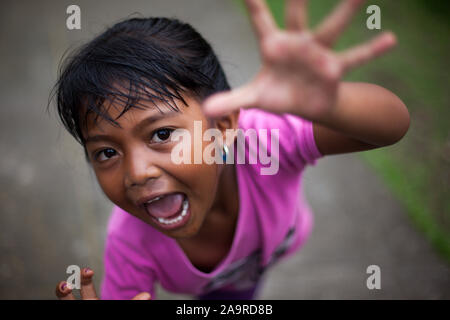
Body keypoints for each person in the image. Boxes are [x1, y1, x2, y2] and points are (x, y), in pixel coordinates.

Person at [53, 0, 409, 300]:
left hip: (275, 248)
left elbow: (392, 126)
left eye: (161, 133)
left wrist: (330, 105)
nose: (137, 172)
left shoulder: (264, 142)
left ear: (223, 127)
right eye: (106, 153)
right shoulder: (128, 243)